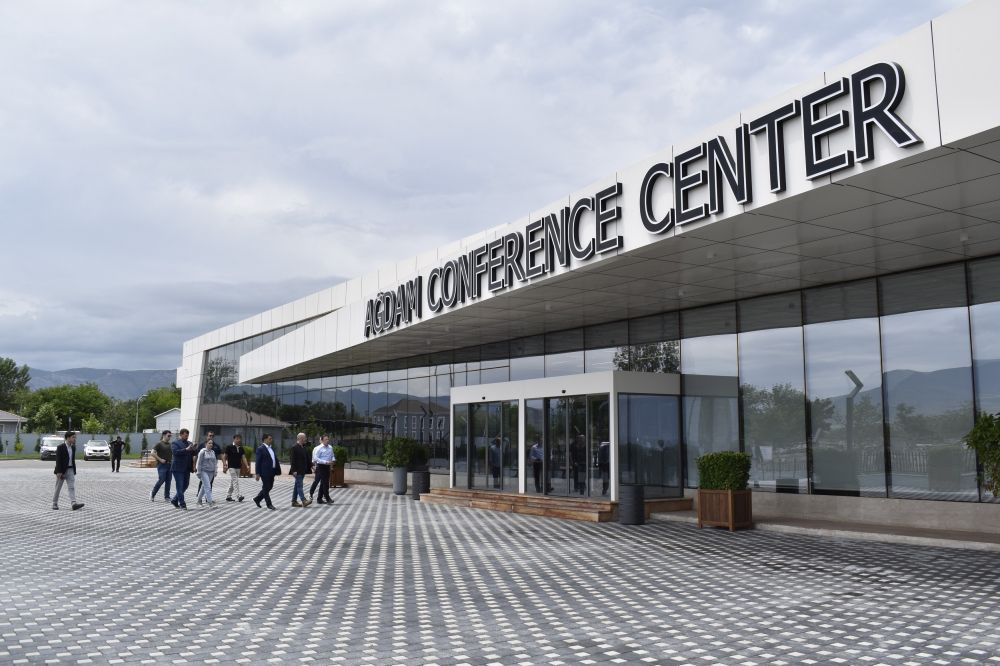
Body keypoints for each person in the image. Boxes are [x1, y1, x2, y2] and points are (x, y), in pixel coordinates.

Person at [53, 431, 84, 511]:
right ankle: (54, 503)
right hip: (62, 471)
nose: (75, 439)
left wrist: (74, 470)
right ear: (68, 438)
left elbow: (72, 459)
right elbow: (58, 460)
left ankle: (73, 503)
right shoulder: (60, 447)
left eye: (75, 437)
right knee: (58, 487)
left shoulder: (73, 447)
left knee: (71, 487)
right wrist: (59, 471)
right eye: (73, 437)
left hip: (70, 470)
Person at [170, 428, 199, 510]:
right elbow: (175, 452)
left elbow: (193, 454)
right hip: (177, 468)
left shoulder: (190, 443)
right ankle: (182, 504)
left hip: (187, 468)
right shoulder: (175, 443)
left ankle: (174, 500)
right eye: (185, 435)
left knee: (185, 485)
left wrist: (194, 449)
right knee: (179, 486)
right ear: (181, 434)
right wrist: (186, 449)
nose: (187, 437)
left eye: (187, 435)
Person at [253, 433, 281, 510]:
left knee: (269, 487)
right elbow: (258, 462)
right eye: (270, 439)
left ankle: (257, 499)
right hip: (264, 472)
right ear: (265, 439)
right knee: (266, 487)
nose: (271, 440)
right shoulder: (260, 449)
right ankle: (269, 504)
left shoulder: (271, 448)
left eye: (271, 439)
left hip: (272, 471)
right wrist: (257, 473)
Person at [289, 432, 312, 508]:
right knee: (300, 486)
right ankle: (304, 500)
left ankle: (294, 501)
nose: (305, 439)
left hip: (303, 470)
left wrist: (312, 466)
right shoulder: (294, 447)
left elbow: (307, 458)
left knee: (297, 485)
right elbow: (292, 460)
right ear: (300, 438)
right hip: (297, 471)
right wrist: (294, 470)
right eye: (304, 438)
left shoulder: (304, 447)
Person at [310, 434, 334, 504]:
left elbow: (332, 455)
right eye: (326, 439)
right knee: (323, 483)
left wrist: (333, 460)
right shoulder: (318, 448)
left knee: (324, 483)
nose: (327, 440)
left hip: (327, 466)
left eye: (328, 439)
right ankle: (327, 498)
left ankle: (319, 499)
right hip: (321, 466)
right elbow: (315, 458)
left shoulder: (330, 447)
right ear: (322, 440)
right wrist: (324, 462)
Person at [196, 431, 222, 496]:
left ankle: (206, 497)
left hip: (212, 468)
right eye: (210, 435)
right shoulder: (201, 445)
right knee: (203, 482)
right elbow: (197, 457)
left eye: (212, 436)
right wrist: (195, 467)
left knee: (210, 483)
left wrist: (224, 464)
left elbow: (220, 455)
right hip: (204, 469)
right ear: (207, 436)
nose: (211, 437)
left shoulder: (216, 446)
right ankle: (201, 495)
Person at [150, 430, 173, 502]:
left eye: (170, 436)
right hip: (162, 465)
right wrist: (160, 459)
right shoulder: (159, 444)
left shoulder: (170, 444)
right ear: (164, 435)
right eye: (168, 436)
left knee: (168, 481)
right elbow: (152, 453)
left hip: (170, 465)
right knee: (161, 479)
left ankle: (167, 497)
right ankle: (152, 494)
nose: (169, 437)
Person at [195, 439, 218, 506]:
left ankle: (199, 501)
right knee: (208, 487)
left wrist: (215, 471)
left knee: (203, 487)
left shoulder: (213, 452)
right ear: (206, 444)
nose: (211, 444)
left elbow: (215, 463)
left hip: (211, 472)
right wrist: (198, 472)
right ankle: (210, 502)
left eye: (212, 443)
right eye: (209, 443)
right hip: (203, 471)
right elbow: (199, 462)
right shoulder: (202, 452)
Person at [223, 434, 246, 502]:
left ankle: (228, 496)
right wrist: (225, 465)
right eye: (237, 439)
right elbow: (224, 457)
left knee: (233, 482)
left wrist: (247, 465)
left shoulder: (241, 448)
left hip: (238, 467)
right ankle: (238, 496)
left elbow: (243, 457)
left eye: (240, 439)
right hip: (231, 467)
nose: (239, 440)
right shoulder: (229, 447)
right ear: (234, 439)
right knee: (235, 481)